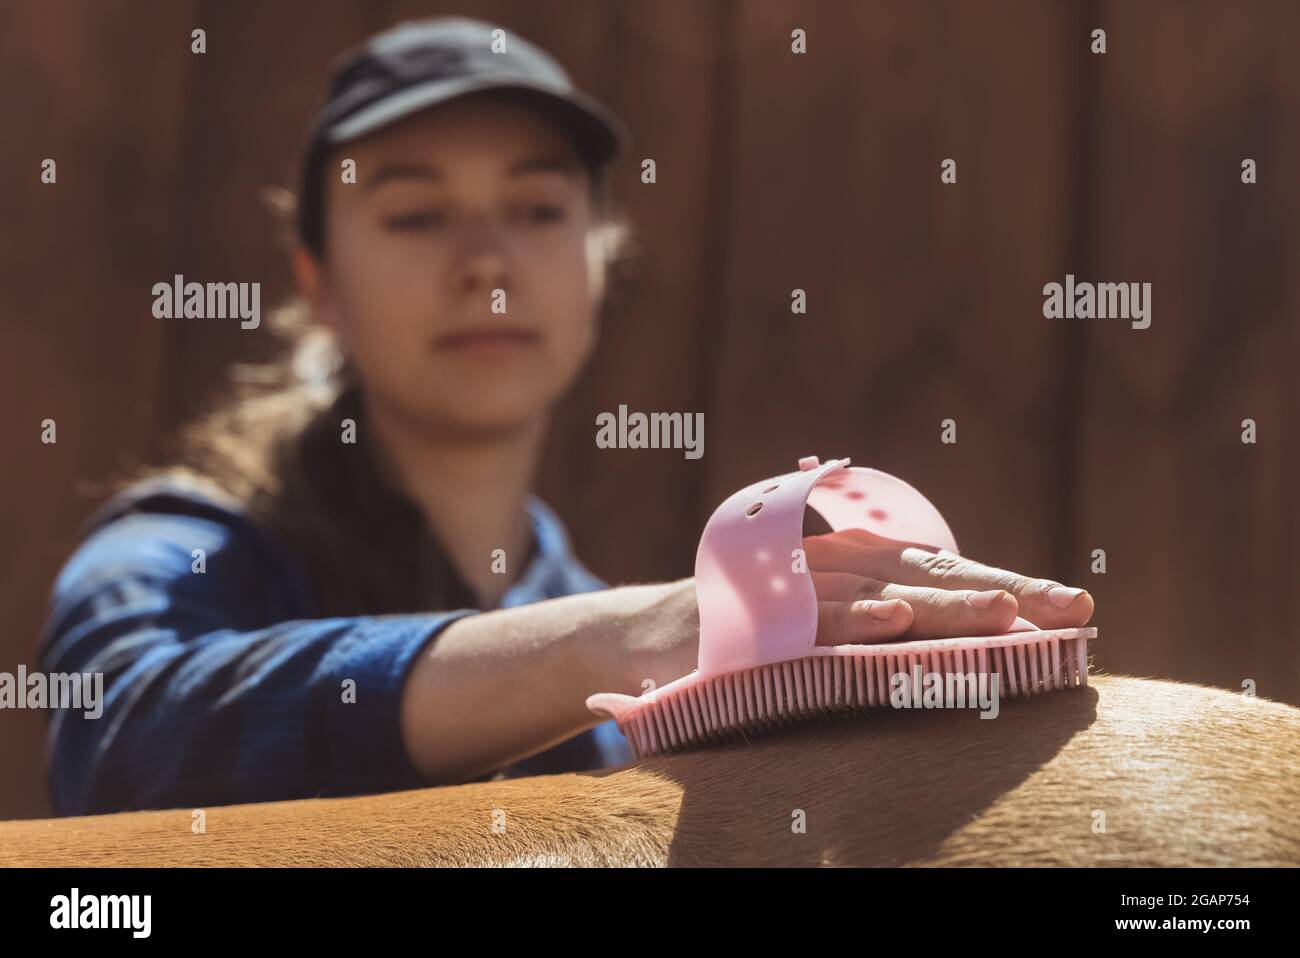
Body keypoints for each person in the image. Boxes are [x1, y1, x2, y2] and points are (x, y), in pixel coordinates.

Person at [38, 16, 1094, 816]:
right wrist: (603, 646)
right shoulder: (181, 548)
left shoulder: (613, 614)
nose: (489, 264)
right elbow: (118, 737)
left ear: (600, 264)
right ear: (318, 284)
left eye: (540, 210)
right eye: (414, 214)